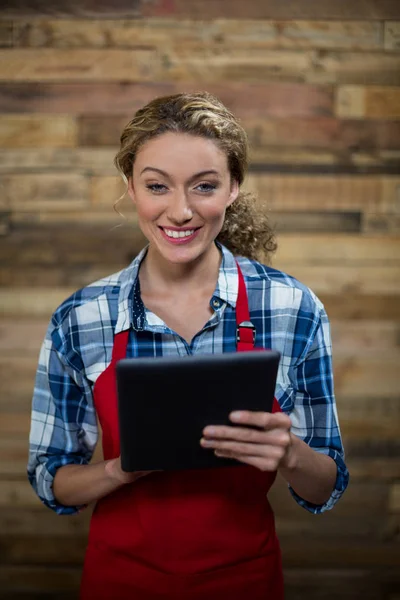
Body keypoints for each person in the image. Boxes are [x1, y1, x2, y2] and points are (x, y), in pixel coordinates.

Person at [28, 92, 349, 600]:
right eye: (157, 186)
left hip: (245, 583)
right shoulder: (80, 318)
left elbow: (326, 483)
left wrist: (289, 452)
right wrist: (117, 471)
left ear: (233, 188)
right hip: (120, 584)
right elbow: (52, 479)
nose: (180, 211)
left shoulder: (292, 307)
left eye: (204, 186)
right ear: (131, 187)